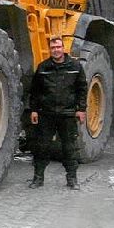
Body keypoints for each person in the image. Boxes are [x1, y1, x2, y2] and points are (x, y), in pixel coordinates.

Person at [28, 36, 87, 190]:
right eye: (53, 48)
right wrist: (34, 110)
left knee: (69, 148)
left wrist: (81, 109)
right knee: (42, 147)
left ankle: (72, 179)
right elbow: (35, 91)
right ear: (50, 50)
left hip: (67, 114)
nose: (56, 50)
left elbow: (82, 89)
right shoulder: (43, 68)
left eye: (58, 47)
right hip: (46, 114)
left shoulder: (75, 67)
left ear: (63, 48)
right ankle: (38, 178)